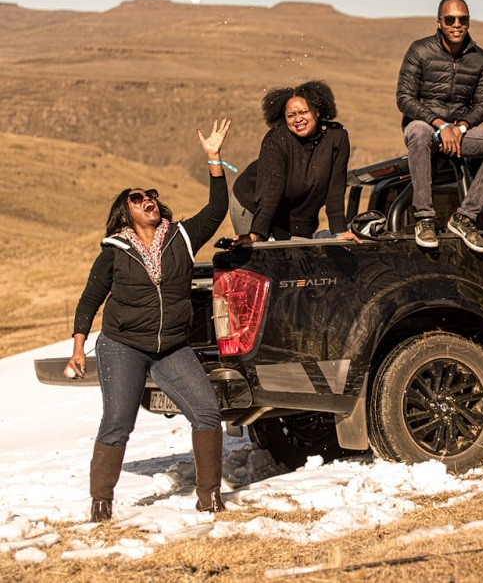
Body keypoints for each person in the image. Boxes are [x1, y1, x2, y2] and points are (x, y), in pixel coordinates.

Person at [67, 119, 233, 522]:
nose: (149, 200)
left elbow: (216, 210)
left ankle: (210, 498)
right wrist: (78, 348)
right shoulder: (114, 251)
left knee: (207, 411)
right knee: (118, 423)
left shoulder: (182, 237)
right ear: (125, 212)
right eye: (138, 198)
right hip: (122, 345)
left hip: (171, 347)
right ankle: (101, 503)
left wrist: (214, 159)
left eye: (152, 195)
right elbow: (90, 299)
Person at [396, 0, 483, 252]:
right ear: (439, 22)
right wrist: (441, 125)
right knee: (418, 132)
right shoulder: (420, 50)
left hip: (460, 131)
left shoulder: (480, 58)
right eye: (450, 20)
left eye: (463, 19)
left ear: (468, 22)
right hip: (426, 125)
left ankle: (464, 217)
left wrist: (460, 128)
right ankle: (424, 218)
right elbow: (405, 98)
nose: (457, 25)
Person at [231, 80, 358, 242]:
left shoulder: (336, 137)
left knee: (297, 256)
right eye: (291, 115)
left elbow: (336, 187)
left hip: (294, 214)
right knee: (260, 255)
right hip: (254, 206)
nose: (298, 119)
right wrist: (256, 234)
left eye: (303, 112)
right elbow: (271, 189)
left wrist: (340, 230)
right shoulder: (277, 139)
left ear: (317, 111)